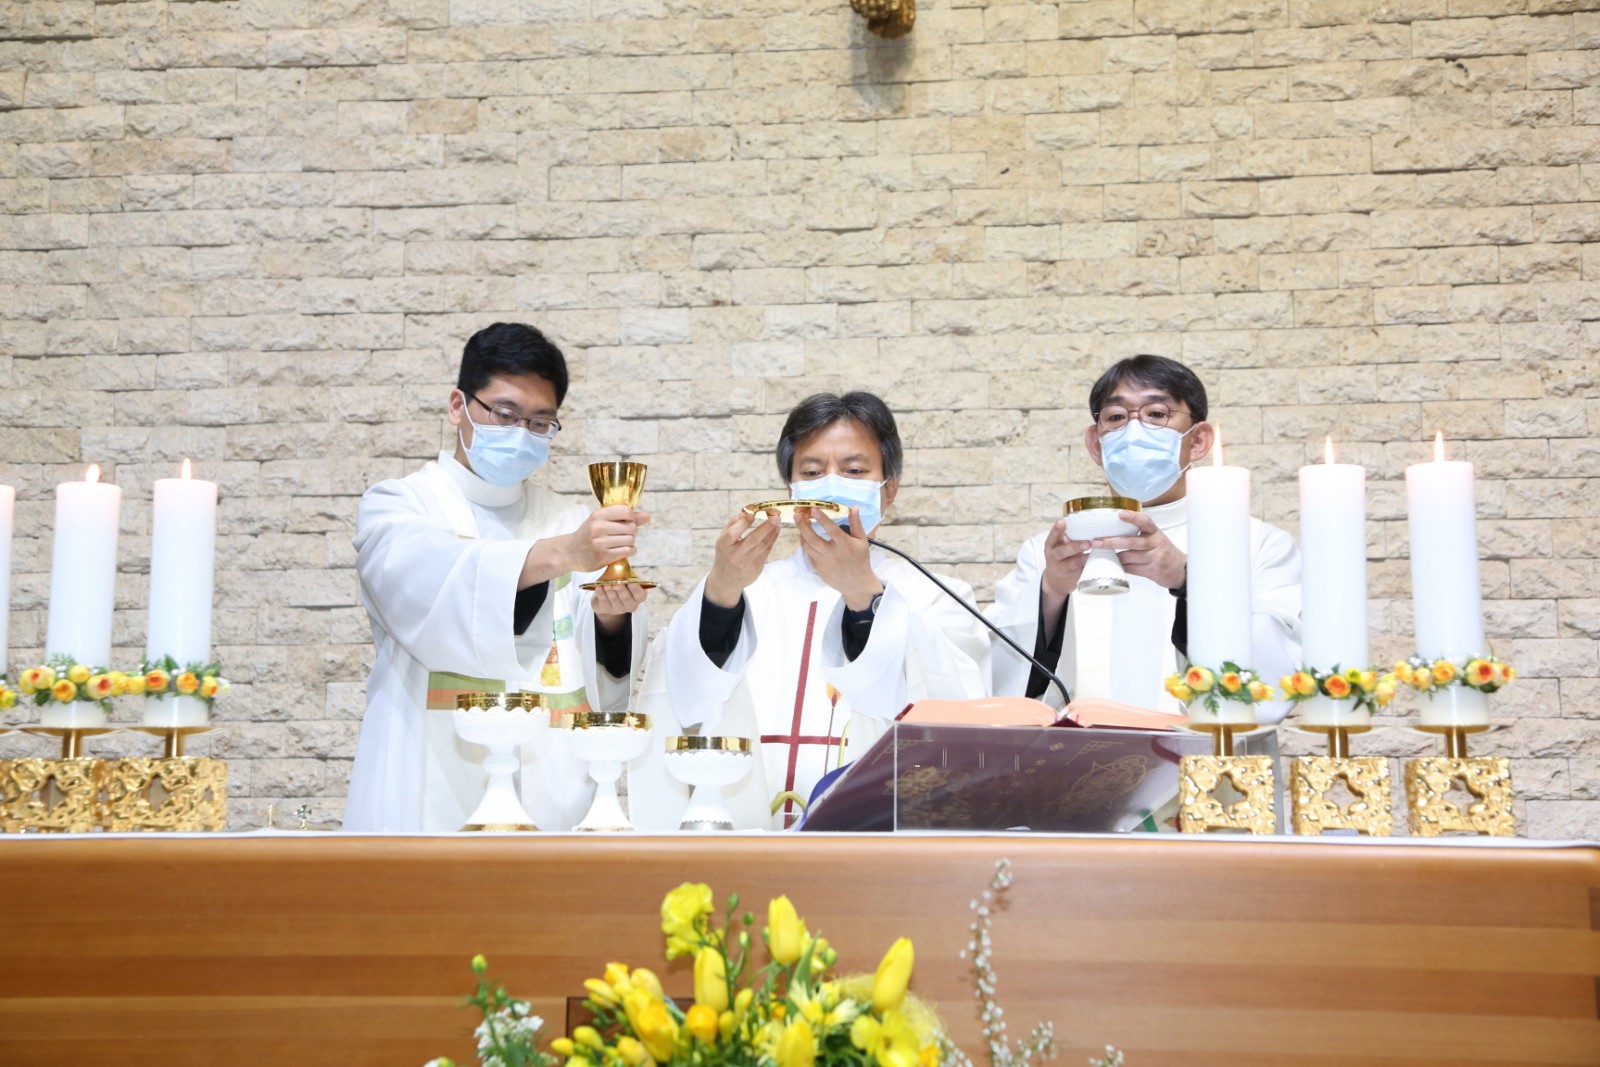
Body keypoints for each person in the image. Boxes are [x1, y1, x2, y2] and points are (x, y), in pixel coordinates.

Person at [632, 391, 991, 830]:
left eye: (854, 470)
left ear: (889, 490)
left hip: (875, 843)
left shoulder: (935, 597)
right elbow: (684, 693)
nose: (831, 484)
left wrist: (863, 594)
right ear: (791, 489)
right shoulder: (746, 589)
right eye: (812, 472)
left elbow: (953, 715)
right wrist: (722, 587)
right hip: (749, 837)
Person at [345, 322, 649, 832]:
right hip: (430, 774)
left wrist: (611, 621)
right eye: (505, 414)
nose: (521, 433)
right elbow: (432, 589)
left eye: (540, 422)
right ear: (458, 406)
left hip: (554, 780)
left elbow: (602, 672)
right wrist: (562, 553)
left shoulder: (568, 518)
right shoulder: (400, 506)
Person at [987, 355, 1300, 719]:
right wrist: (1050, 593)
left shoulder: (1259, 544)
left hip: (1206, 752)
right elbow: (995, 677)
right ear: (1096, 445)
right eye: (1116, 417)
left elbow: (1279, 675)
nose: (1134, 431)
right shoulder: (1052, 552)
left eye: (1156, 414)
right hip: (1080, 752)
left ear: (1198, 440)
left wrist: (1188, 578)